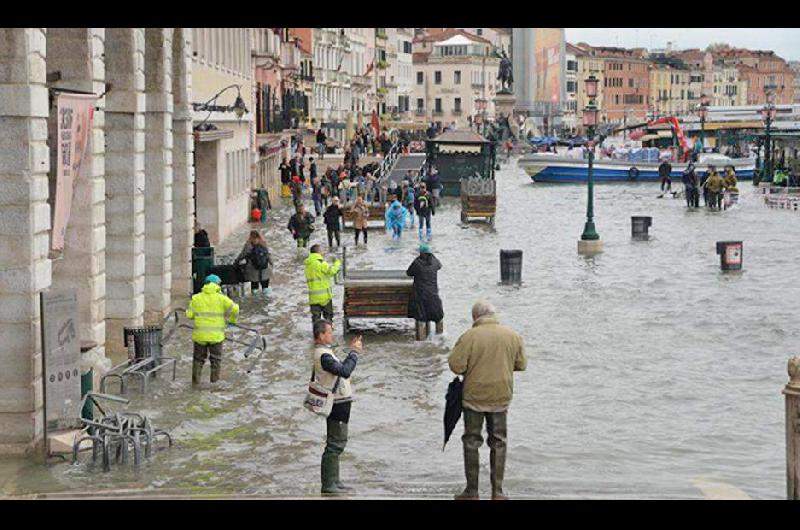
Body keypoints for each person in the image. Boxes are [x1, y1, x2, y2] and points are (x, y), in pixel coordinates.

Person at [448, 300, 527, 500]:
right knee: (499, 441)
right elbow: (521, 364)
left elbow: (456, 366)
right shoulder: (513, 335)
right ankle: (497, 492)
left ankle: (472, 491)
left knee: (471, 441)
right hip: (501, 395)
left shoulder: (469, 336)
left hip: (474, 396)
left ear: (475, 317)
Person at [312, 319, 362, 495]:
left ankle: (335, 481)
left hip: (339, 403)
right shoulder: (324, 356)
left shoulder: (325, 352)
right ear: (321, 335)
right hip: (336, 404)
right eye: (329, 332)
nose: (332, 335)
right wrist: (354, 353)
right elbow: (345, 370)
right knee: (335, 444)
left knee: (337, 442)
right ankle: (328, 484)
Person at [186, 274, 240, 386]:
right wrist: (232, 320)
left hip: (200, 336)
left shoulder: (196, 298)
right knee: (216, 360)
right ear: (217, 285)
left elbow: (189, 315)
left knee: (198, 360)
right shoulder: (222, 298)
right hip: (216, 336)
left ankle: (195, 383)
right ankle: (214, 383)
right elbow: (236, 309)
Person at [406, 243, 444, 336]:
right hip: (433, 295)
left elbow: (409, 273)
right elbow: (440, 266)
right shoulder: (435, 262)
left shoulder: (417, 262)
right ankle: (439, 338)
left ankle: (421, 339)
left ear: (420, 252)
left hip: (420, 296)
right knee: (438, 316)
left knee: (421, 317)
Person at [304, 244, 341, 325]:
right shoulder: (320, 262)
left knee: (316, 319)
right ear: (318, 252)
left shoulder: (307, 265)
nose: (323, 252)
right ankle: (328, 334)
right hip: (325, 296)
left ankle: (316, 335)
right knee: (328, 318)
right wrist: (337, 263)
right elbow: (331, 271)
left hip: (313, 297)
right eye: (322, 250)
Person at [235, 230, 273, 296]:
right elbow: (268, 255)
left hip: (253, 270)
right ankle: (267, 303)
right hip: (265, 270)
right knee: (265, 288)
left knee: (255, 290)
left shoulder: (248, 245)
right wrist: (271, 264)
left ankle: (256, 303)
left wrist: (236, 262)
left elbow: (242, 255)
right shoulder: (263, 243)